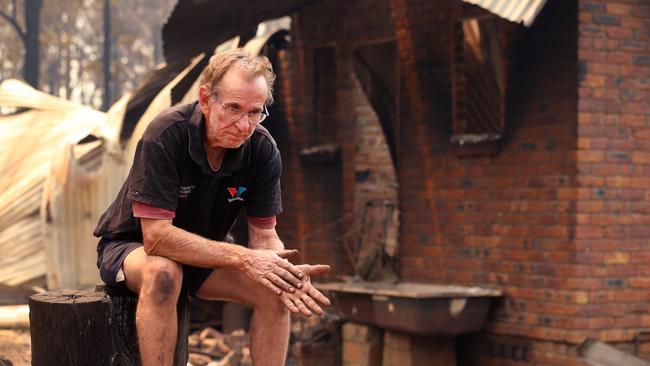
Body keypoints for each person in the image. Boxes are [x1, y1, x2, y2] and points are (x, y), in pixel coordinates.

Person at [94, 48, 331, 366]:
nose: (244, 124)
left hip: (209, 254)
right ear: (205, 99)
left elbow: (264, 236)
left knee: (274, 289)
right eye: (234, 108)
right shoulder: (165, 135)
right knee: (165, 273)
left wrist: (280, 269)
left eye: (254, 112)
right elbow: (157, 238)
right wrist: (245, 258)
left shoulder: (261, 149)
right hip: (134, 247)